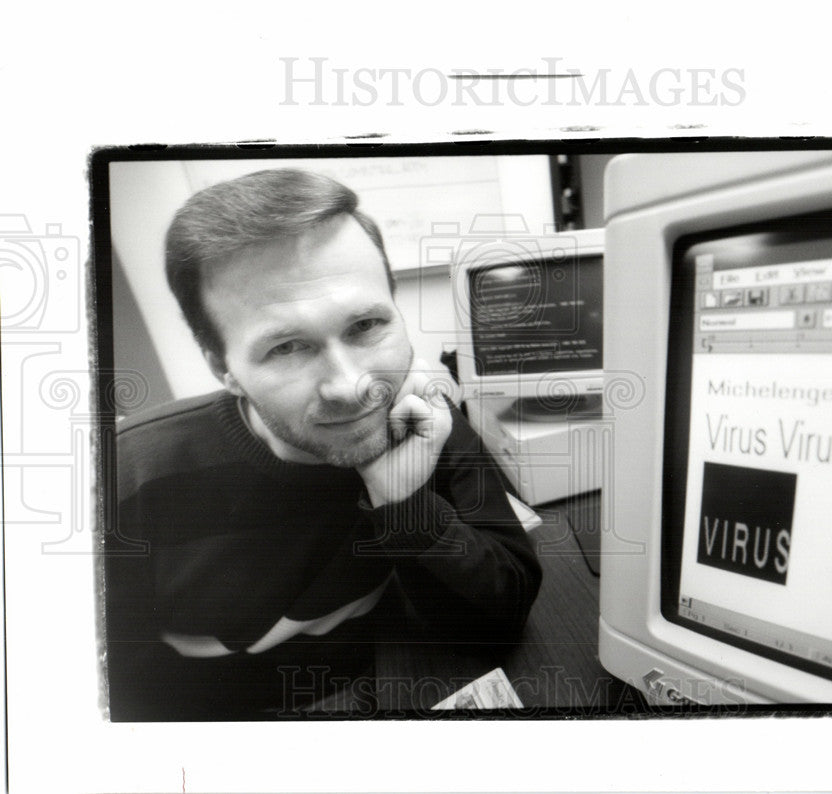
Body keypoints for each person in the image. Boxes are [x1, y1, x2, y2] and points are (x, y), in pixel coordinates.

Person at [104, 169, 542, 720]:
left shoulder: (424, 421)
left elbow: (503, 614)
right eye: (287, 346)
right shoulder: (128, 477)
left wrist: (404, 505)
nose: (353, 387)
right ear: (223, 366)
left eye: (365, 325)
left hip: (382, 686)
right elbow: (103, 688)